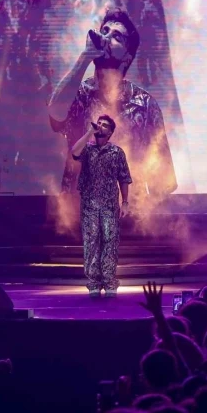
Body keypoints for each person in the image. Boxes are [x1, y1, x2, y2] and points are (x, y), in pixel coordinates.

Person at [48, 7, 175, 203]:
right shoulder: (79, 95)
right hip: (76, 214)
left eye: (117, 37)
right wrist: (85, 56)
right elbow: (55, 116)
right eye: (104, 31)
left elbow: (163, 180)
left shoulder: (146, 104)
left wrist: (145, 214)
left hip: (129, 214)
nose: (106, 38)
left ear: (127, 57)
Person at [70, 114, 132, 297]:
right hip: (89, 205)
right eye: (99, 123)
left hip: (110, 205)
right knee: (91, 243)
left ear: (110, 132)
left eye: (105, 125)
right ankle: (94, 284)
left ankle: (109, 281)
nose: (100, 126)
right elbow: (75, 152)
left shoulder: (117, 152)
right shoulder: (87, 149)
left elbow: (124, 178)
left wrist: (125, 202)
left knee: (110, 242)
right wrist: (89, 132)